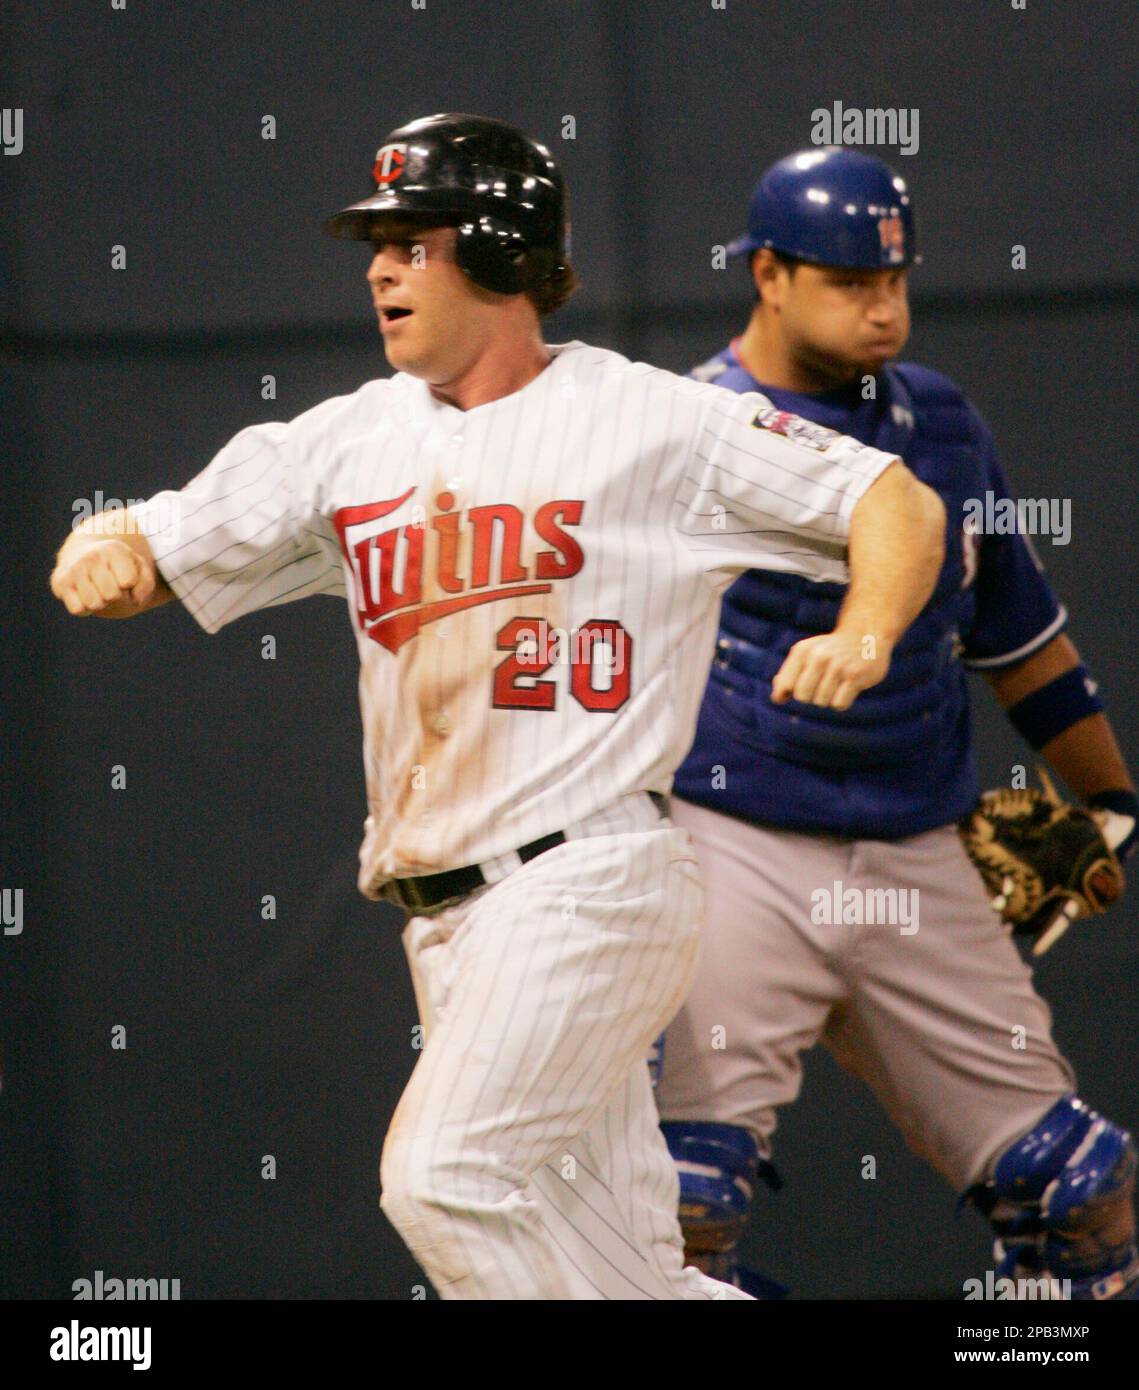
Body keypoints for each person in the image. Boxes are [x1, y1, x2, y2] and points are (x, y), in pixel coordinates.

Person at [49, 117, 944, 1301]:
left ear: (504, 253)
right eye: (379, 244)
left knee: (446, 1178)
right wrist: (97, 546)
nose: (378, 268)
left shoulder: (651, 421)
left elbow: (890, 498)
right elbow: (144, 535)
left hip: (591, 879)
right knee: (636, 1272)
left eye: (411, 242)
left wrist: (865, 630)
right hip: (447, 924)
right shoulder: (345, 443)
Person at [655, 148, 1139, 1300]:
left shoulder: (939, 421)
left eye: (895, 280)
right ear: (766, 274)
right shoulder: (680, 431)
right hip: (730, 840)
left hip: (917, 841)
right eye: (846, 281)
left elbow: (1018, 637)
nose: (882, 305)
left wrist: (1111, 799)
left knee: (1077, 1194)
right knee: (672, 1209)